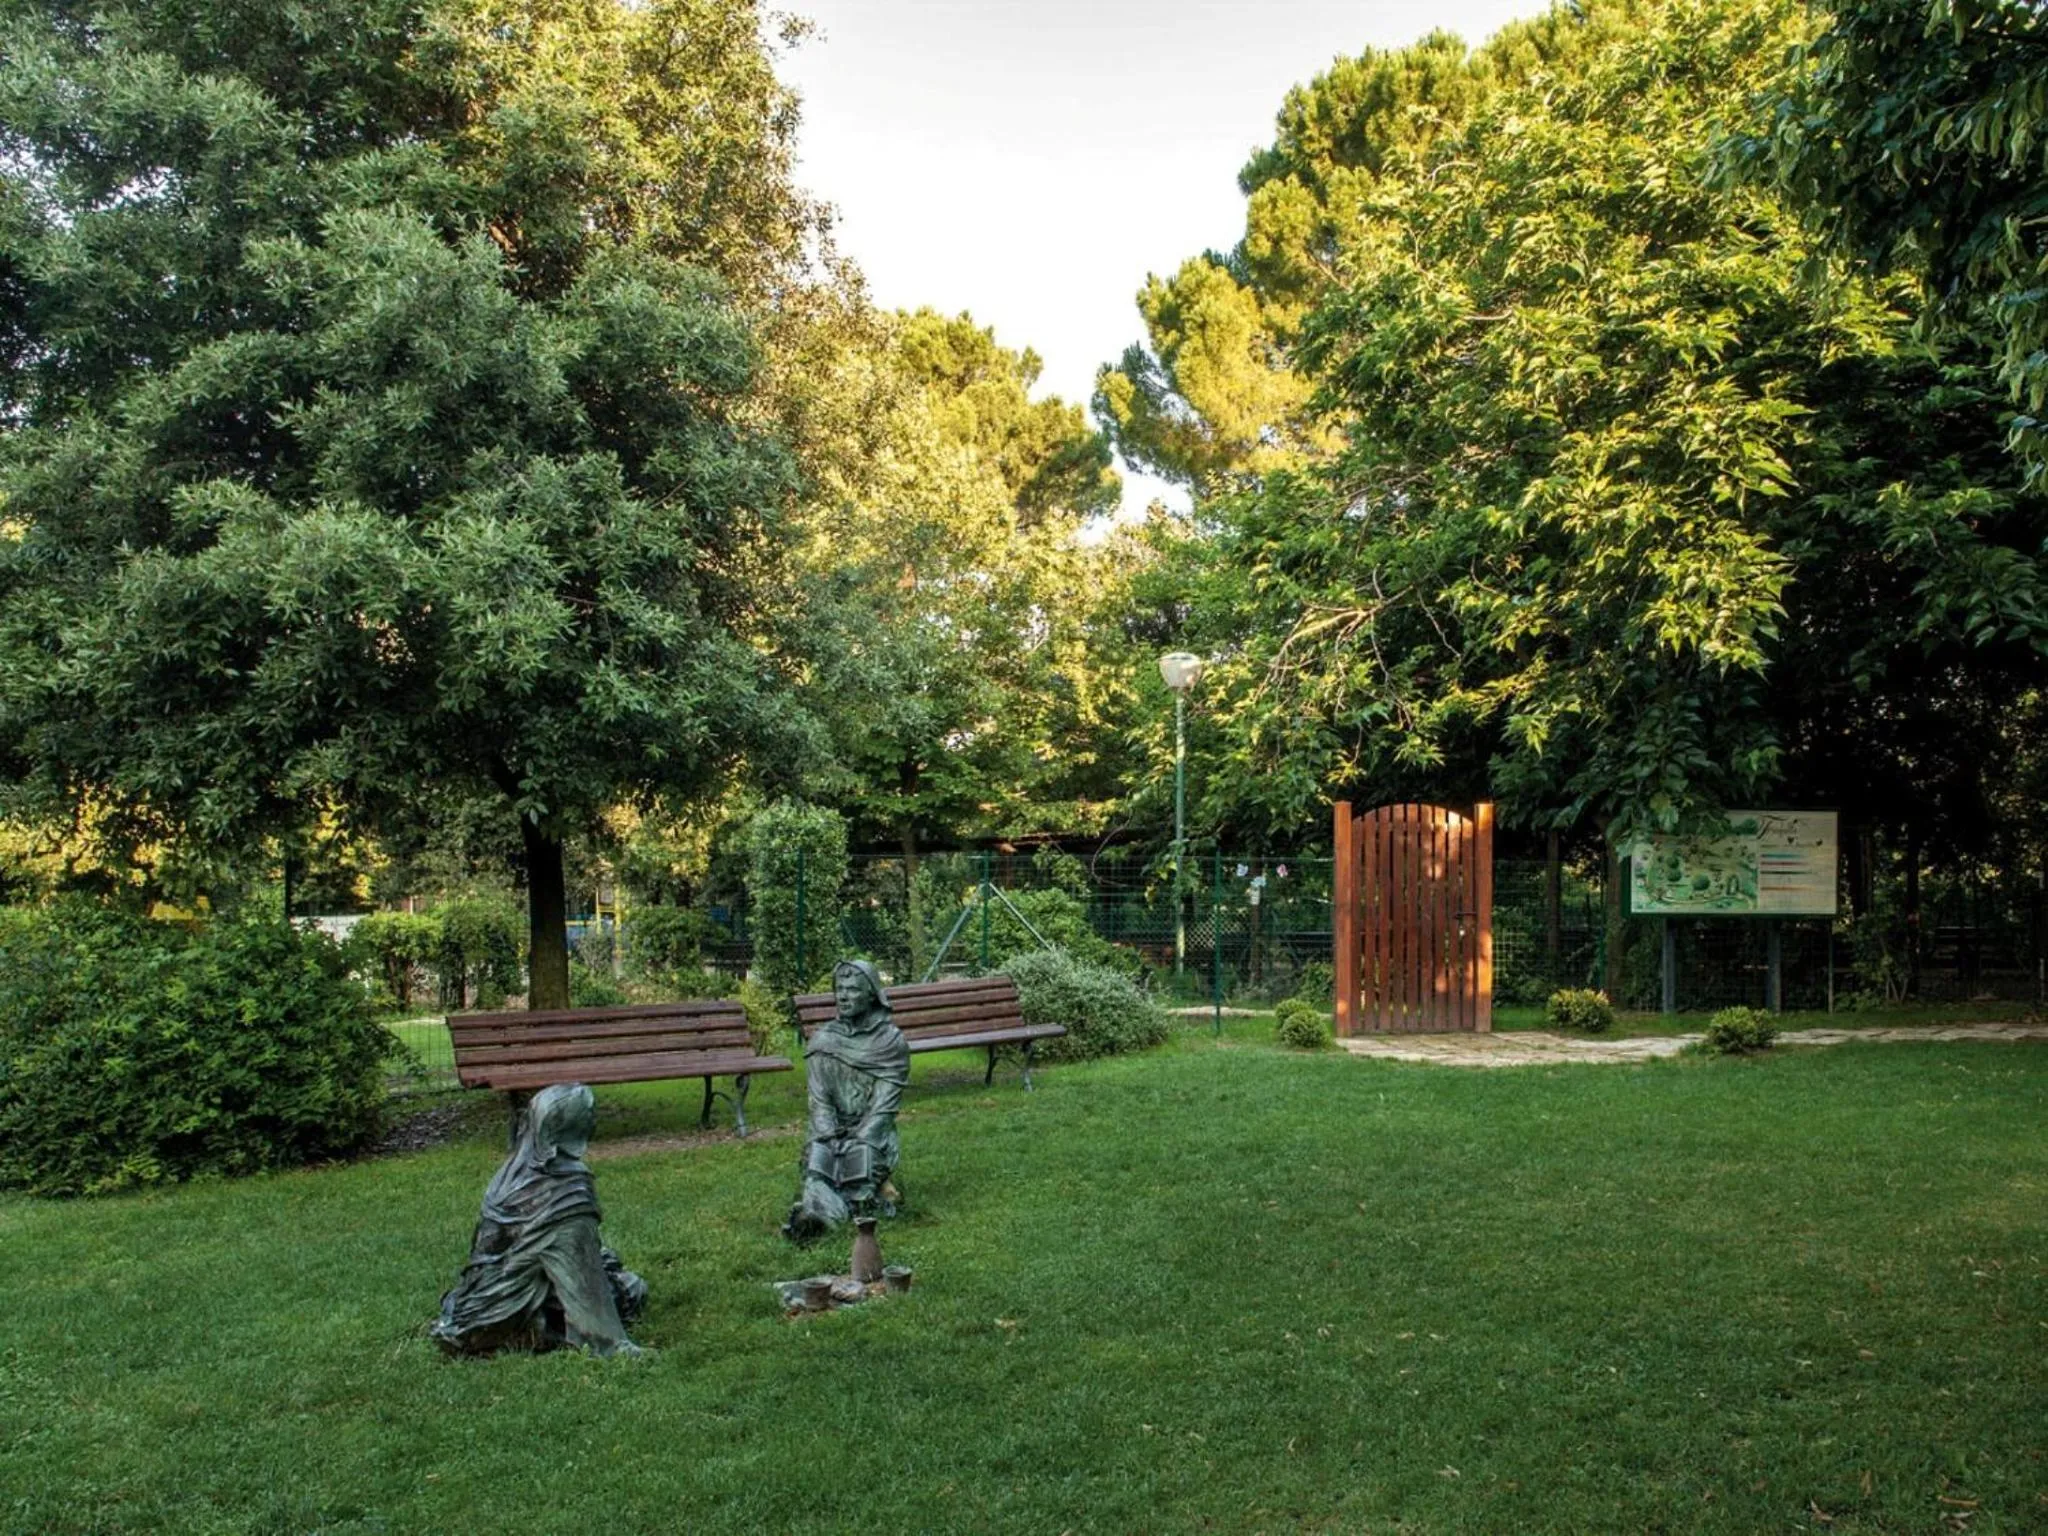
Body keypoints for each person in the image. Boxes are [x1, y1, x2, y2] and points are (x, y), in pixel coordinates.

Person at [431, 1082, 647, 1357]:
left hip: (472, 1306)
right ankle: (535, 1334)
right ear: (573, 1125)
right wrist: (612, 1343)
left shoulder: (514, 1172)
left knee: (608, 1266)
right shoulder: (565, 1194)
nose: (594, 1119)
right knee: (631, 1288)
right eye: (589, 1114)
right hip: (500, 1319)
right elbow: (582, 1286)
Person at [784, 959, 911, 1244]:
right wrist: (829, 1138)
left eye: (852, 990)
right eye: (839, 989)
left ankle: (823, 1215)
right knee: (819, 1168)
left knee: (858, 1173)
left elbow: (883, 1108)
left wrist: (858, 1141)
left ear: (871, 995)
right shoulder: (823, 1041)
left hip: (873, 1132)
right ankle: (816, 1216)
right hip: (828, 1128)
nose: (843, 996)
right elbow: (820, 1103)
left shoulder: (891, 1043)